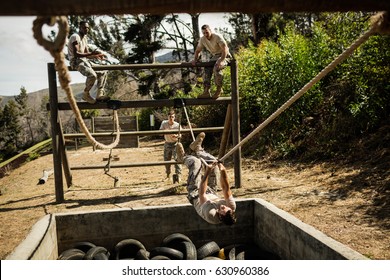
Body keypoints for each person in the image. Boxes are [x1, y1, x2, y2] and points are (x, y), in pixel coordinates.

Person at [176, 132, 237, 225]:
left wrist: (207, 172)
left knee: (196, 163)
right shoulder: (231, 207)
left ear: (220, 216)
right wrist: (223, 171)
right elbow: (225, 188)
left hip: (195, 193)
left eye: (223, 209)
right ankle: (198, 149)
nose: (224, 206)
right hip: (211, 191)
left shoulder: (210, 214)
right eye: (227, 208)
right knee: (214, 163)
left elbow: (201, 193)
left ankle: (182, 158)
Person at [68, 20, 110, 104]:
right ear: (79, 28)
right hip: (76, 61)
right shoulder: (75, 36)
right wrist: (92, 53)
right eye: (84, 28)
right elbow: (76, 54)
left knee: (103, 71)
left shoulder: (85, 38)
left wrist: (96, 56)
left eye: (87, 28)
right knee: (92, 75)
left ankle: (99, 94)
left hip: (84, 60)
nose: (86, 29)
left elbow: (86, 54)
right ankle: (85, 94)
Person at [191, 24, 232, 99]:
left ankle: (219, 89)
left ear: (210, 31)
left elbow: (225, 49)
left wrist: (221, 60)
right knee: (207, 68)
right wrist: (195, 60)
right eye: (204, 33)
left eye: (207, 32)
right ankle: (206, 91)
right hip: (215, 56)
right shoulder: (202, 39)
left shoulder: (217, 36)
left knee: (217, 67)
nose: (205, 34)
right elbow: (197, 51)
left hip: (225, 55)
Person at [159, 110, 182, 182]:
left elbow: (180, 135)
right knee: (166, 160)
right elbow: (160, 133)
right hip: (167, 143)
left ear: (174, 117)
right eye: (170, 117)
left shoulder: (177, 125)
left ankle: (178, 175)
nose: (171, 118)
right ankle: (168, 175)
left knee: (177, 159)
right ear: (167, 117)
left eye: (172, 117)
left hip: (175, 143)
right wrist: (164, 131)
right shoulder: (164, 123)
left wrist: (176, 136)